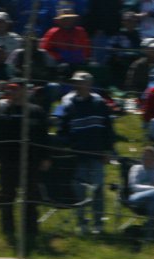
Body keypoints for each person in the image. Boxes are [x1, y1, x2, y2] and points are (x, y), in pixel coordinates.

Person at [0, 80, 50, 249]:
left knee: (31, 196)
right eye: (11, 90)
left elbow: (43, 136)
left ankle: (31, 229)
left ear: (25, 91)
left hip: (31, 161)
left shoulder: (35, 111)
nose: (13, 92)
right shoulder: (2, 110)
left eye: (16, 89)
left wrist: (46, 158)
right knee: (6, 196)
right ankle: (8, 228)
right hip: (8, 160)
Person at [58, 71, 115, 234]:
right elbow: (62, 130)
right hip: (78, 156)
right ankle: (82, 223)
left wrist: (107, 150)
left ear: (89, 84)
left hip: (97, 154)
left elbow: (108, 130)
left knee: (97, 189)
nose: (77, 85)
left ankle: (98, 224)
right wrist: (67, 145)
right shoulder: (68, 105)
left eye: (80, 82)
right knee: (79, 191)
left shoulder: (99, 104)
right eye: (75, 82)